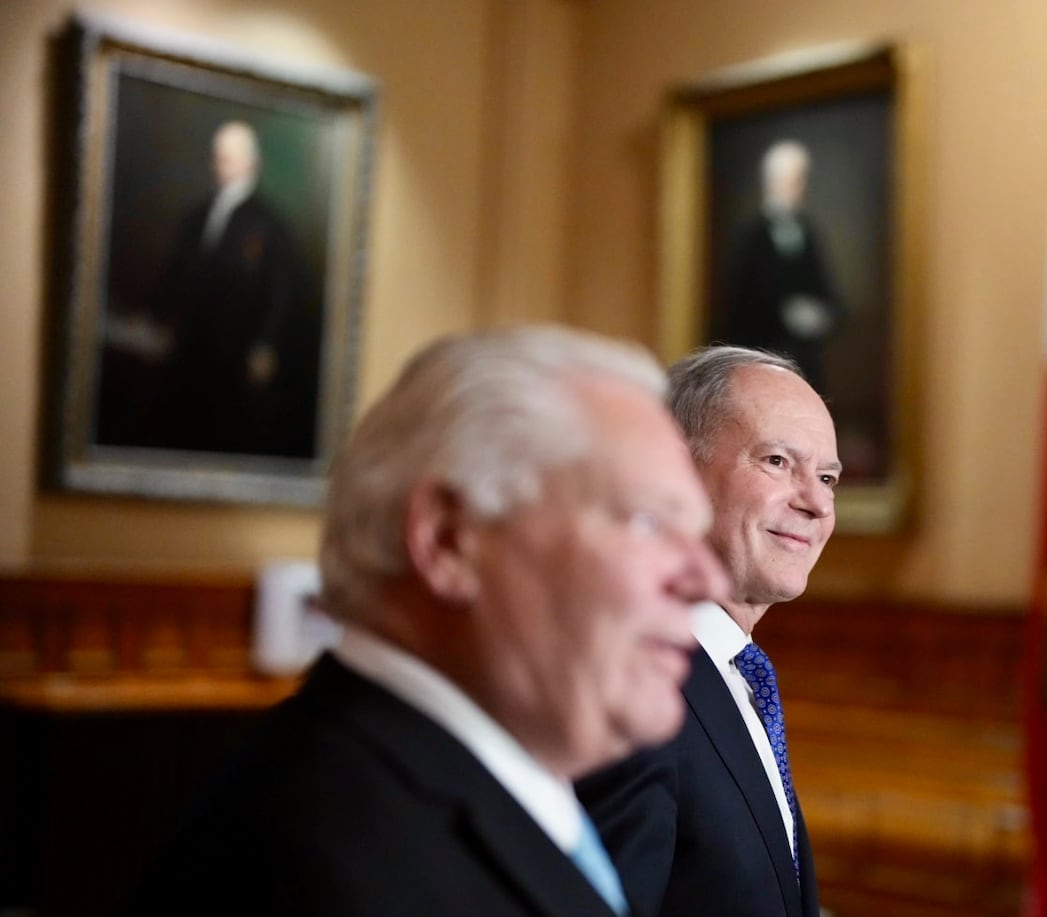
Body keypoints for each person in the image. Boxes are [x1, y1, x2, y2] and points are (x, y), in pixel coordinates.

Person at [116, 324, 729, 917]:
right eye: (650, 523)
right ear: (448, 540)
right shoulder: (327, 863)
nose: (708, 581)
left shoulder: (453, 787)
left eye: (697, 534)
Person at [577, 345, 841, 917]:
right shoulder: (637, 683)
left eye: (828, 477)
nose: (818, 502)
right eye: (777, 461)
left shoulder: (740, 674)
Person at [145, 119, 320, 457]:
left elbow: (281, 291)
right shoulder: (197, 217)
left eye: (228, 157)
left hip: (235, 353)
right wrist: (157, 319)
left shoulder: (268, 223)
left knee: (226, 431)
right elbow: (177, 275)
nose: (219, 164)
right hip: (191, 347)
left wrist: (265, 345)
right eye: (217, 157)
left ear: (250, 162)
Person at [716, 140, 845, 395]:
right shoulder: (752, 236)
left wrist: (820, 314)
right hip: (760, 358)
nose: (799, 188)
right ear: (772, 181)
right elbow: (740, 302)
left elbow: (826, 288)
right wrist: (783, 314)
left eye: (800, 180)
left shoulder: (808, 232)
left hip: (805, 362)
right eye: (792, 180)